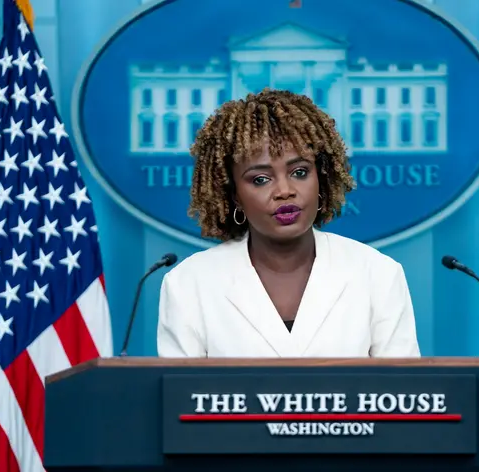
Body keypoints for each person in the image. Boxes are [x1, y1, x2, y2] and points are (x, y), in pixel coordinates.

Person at [156, 89, 420, 358]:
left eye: (300, 172)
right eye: (260, 179)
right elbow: (181, 396)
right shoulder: (189, 283)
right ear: (234, 195)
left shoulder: (377, 274)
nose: (285, 190)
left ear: (322, 178)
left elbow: (403, 394)